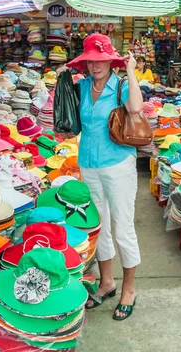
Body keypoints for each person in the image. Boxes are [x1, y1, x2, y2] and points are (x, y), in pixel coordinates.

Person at [57, 33, 143, 321]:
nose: (95, 65)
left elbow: (135, 108)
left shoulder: (119, 86)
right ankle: (107, 282)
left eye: (101, 59)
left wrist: (130, 72)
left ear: (110, 60)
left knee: (122, 226)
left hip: (118, 164)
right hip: (89, 164)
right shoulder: (80, 88)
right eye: (90, 60)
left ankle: (129, 289)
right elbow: (67, 121)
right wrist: (61, 82)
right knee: (99, 226)